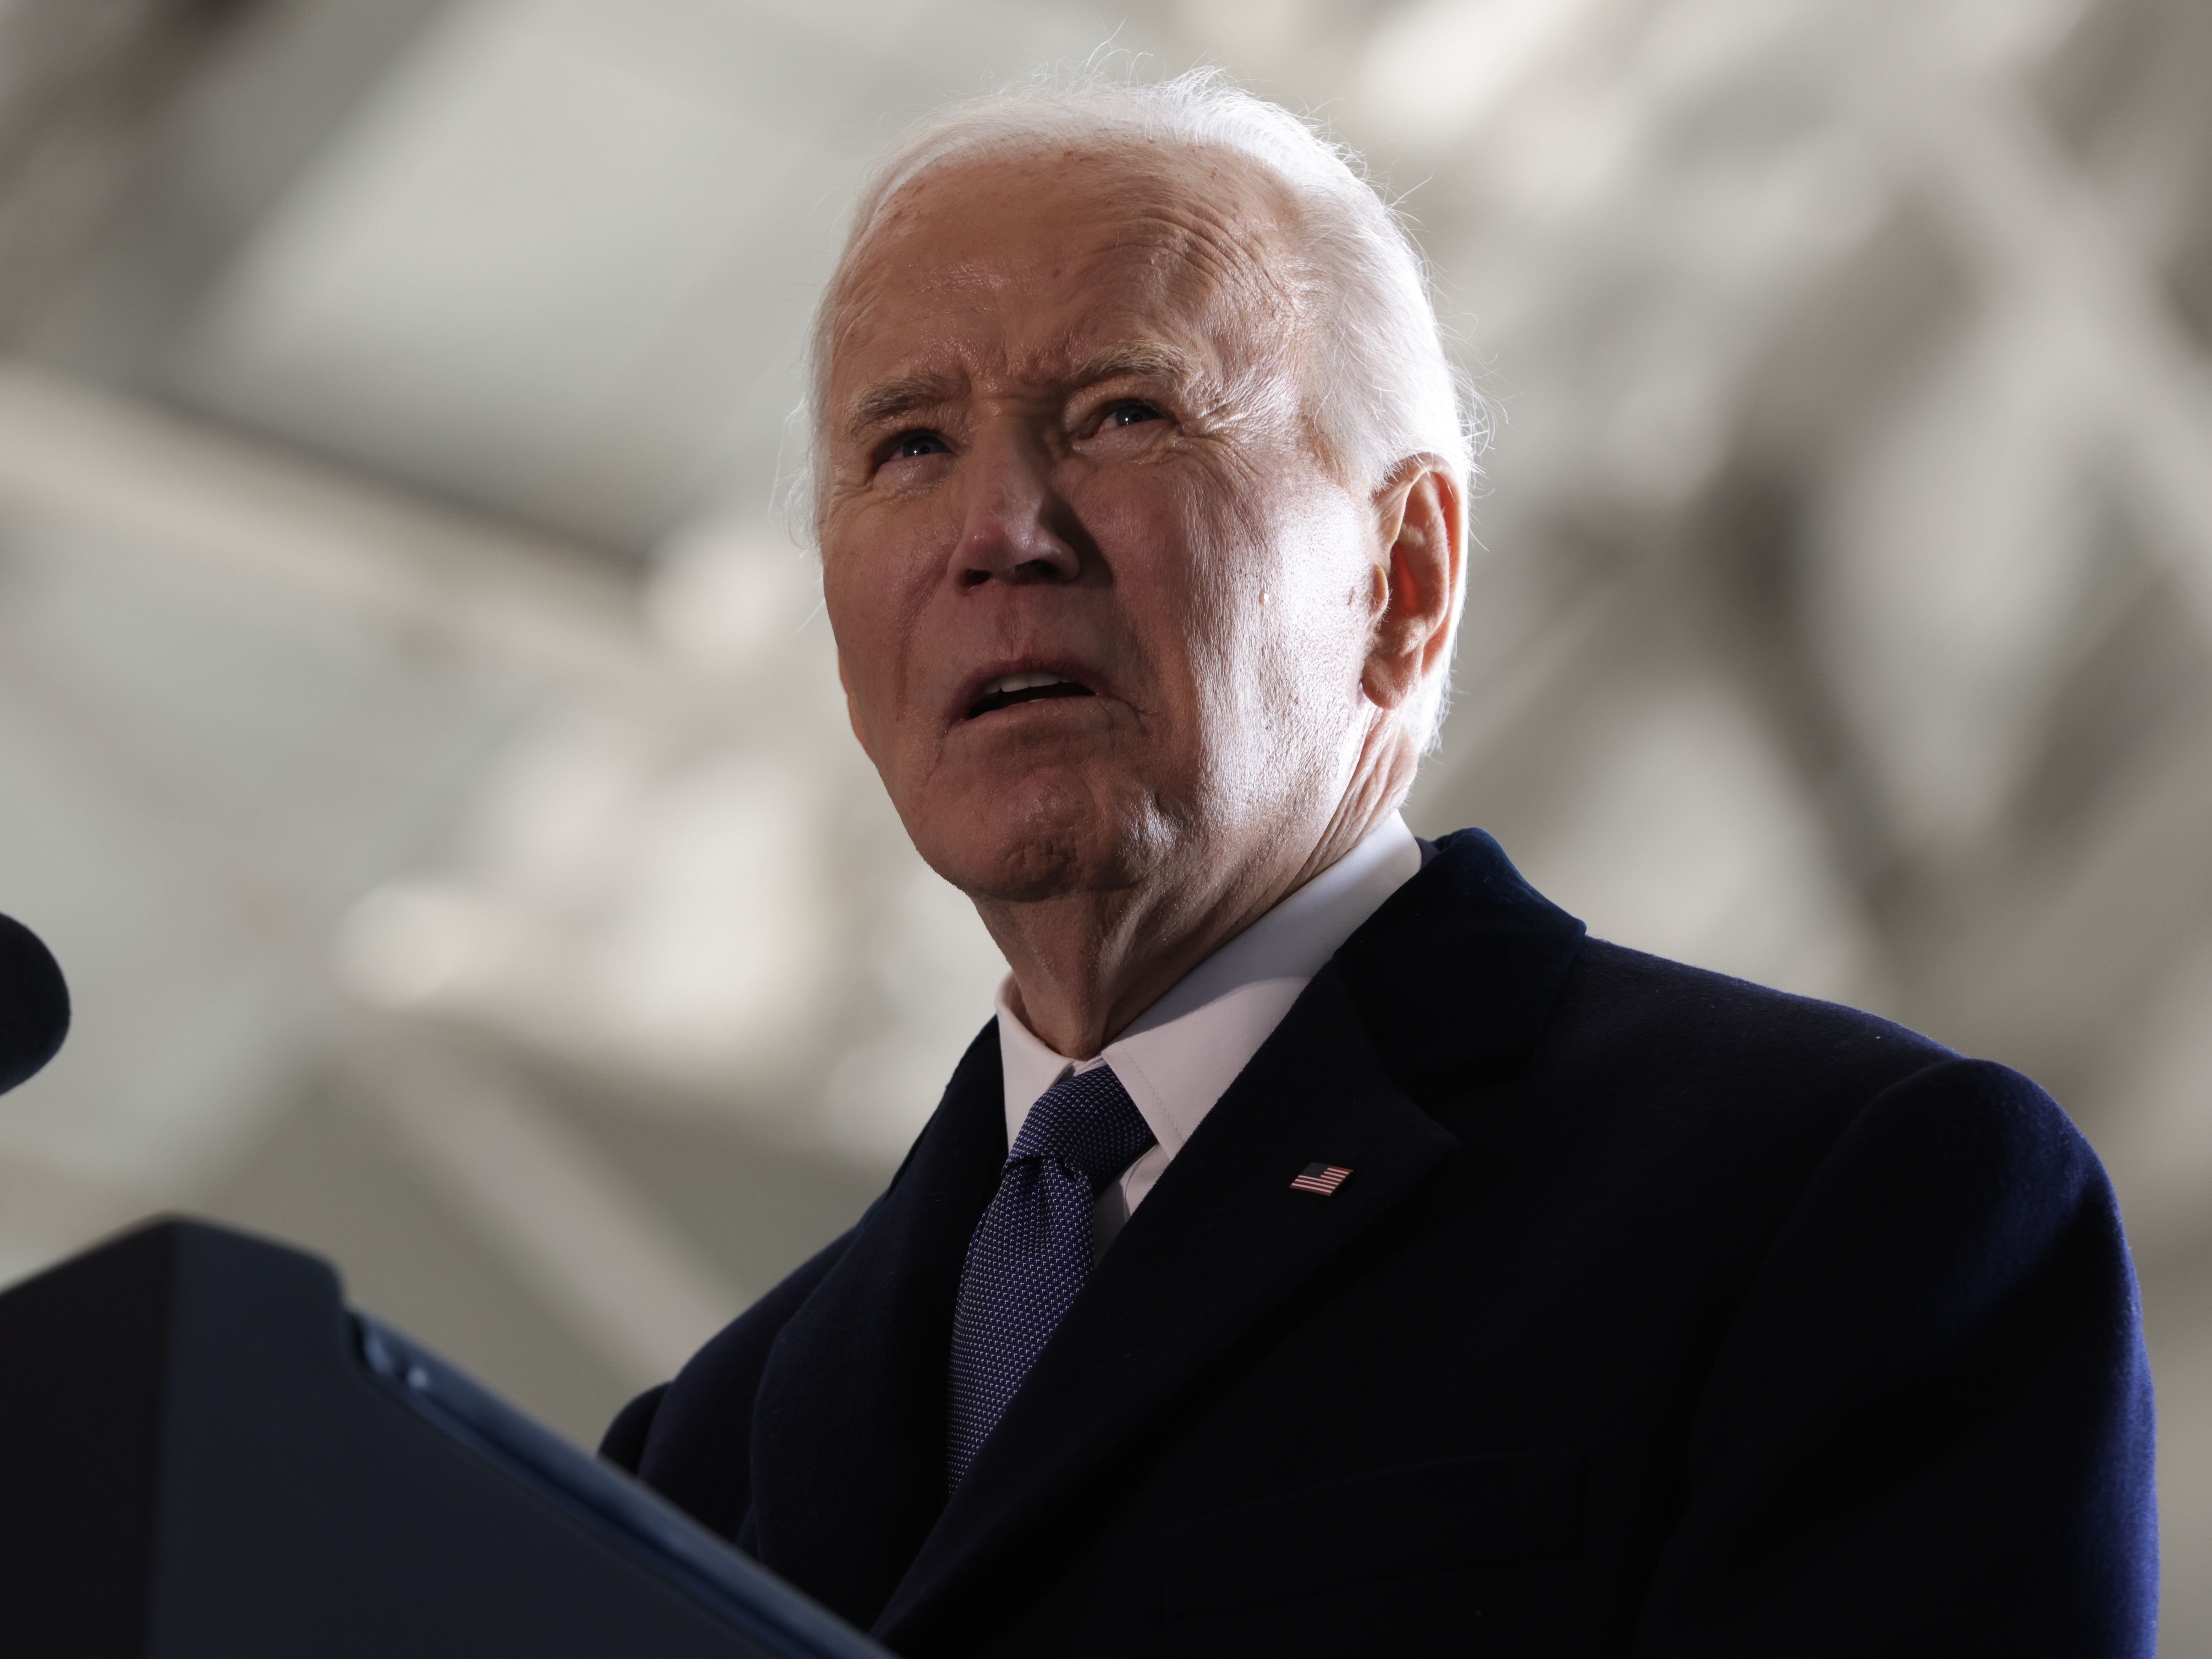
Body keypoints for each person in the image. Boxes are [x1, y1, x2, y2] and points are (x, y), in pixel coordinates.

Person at [602, 70, 2157, 1657]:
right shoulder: (700, 1450)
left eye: (1124, 413)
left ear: (1402, 575)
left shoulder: (1834, 1199)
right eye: (909, 445)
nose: (999, 529)